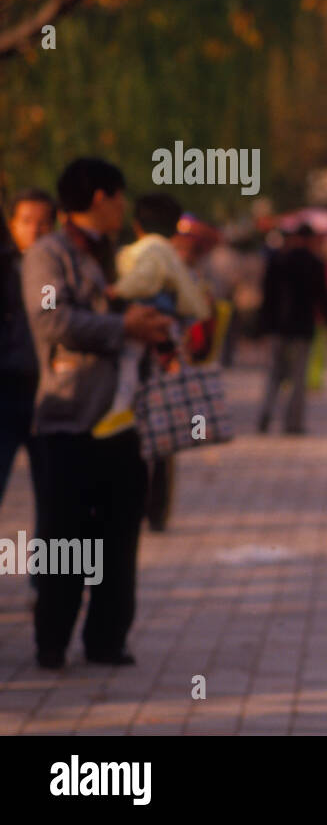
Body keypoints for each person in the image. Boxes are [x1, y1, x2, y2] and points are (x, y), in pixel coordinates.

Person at [21, 157, 172, 669]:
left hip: (127, 422)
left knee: (120, 535)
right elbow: (50, 319)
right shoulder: (48, 254)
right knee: (63, 538)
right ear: (102, 197)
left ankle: (108, 639)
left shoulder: (122, 256)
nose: (124, 207)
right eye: (119, 196)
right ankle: (52, 641)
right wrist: (123, 326)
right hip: (70, 417)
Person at [93, 193, 211, 438]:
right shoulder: (168, 251)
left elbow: (144, 279)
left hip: (151, 313)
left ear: (137, 224)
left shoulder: (151, 249)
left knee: (129, 361)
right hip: (173, 317)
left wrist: (117, 291)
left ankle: (119, 410)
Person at [1, 189, 56, 507]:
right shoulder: (5, 269)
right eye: (26, 221)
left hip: (48, 395)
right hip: (5, 392)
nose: (35, 230)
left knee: (52, 499)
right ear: (12, 223)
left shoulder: (58, 273)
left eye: (43, 223)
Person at [257, 223, 327, 434]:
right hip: (302, 327)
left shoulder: (278, 260)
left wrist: (263, 326)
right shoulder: (315, 263)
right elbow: (322, 296)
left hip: (278, 327)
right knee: (298, 378)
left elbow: (267, 296)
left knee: (273, 374)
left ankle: (266, 412)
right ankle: (293, 423)